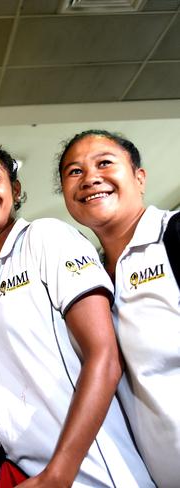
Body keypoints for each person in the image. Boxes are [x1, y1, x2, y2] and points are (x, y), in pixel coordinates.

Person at [0, 142, 153, 487]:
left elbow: (105, 357)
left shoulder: (46, 238)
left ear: (14, 189)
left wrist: (59, 472)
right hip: (27, 473)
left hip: (89, 473)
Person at [58, 129, 180, 488]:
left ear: (139, 178)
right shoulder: (88, 280)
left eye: (105, 163)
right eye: (74, 172)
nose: (90, 177)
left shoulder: (171, 235)